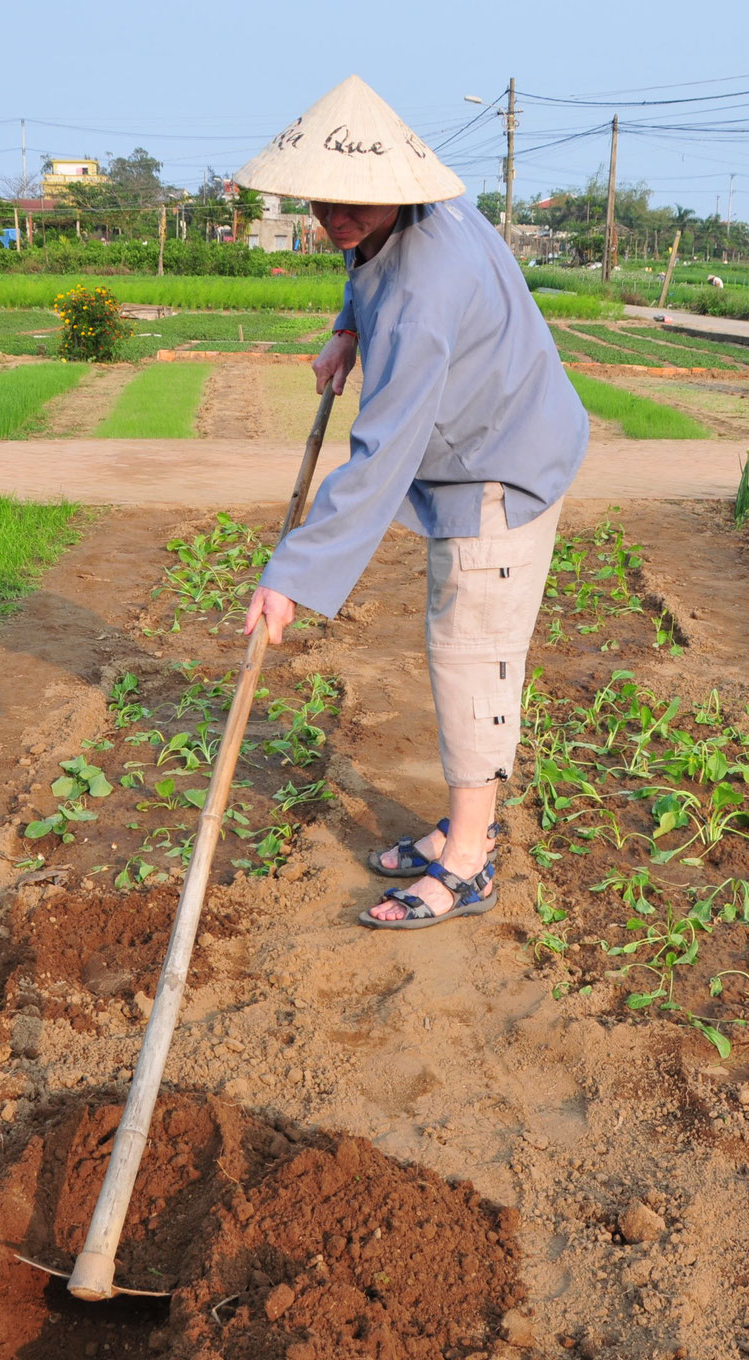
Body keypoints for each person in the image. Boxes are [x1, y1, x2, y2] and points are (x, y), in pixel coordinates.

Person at [233, 76, 589, 931]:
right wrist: (347, 325)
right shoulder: (421, 212)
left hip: (499, 472)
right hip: (509, 432)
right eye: (322, 202)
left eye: (354, 205)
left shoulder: (427, 296)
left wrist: (290, 575)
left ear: (395, 191)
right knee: (462, 648)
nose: (336, 220)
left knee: (473, 657)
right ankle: (463, 829)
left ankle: (469, 863)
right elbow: (366, 268)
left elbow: (381, 454)